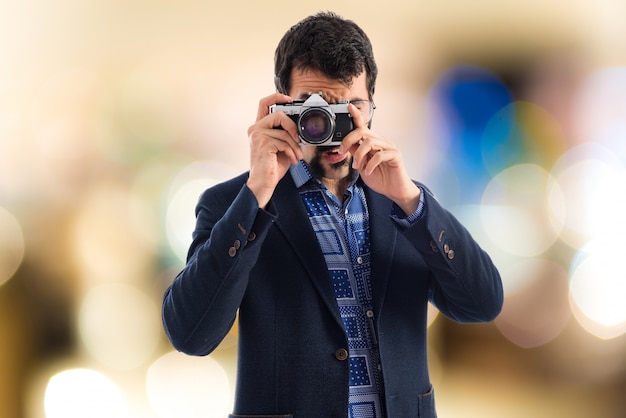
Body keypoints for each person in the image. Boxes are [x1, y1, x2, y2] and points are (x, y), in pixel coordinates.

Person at [162, 11, 503, 418]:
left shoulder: (406, 202)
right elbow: (191, 335)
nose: (335, 130)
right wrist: (256, 194)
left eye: (351, 108)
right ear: (281, 105)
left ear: (373, 104)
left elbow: (483, 303)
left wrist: (412, 202)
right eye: (316, 110)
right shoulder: (233, 205)